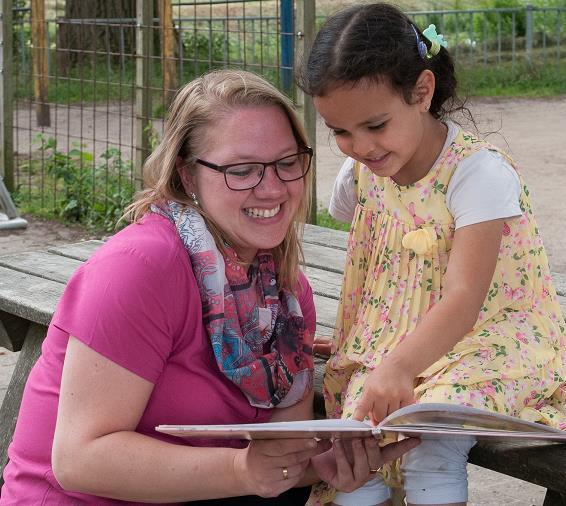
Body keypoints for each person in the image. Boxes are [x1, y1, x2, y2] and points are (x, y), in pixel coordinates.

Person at [0, 70, 418, 505]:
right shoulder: (140, 268)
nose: (272, 187)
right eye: (241, 170)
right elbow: (79, 460)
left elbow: (277, 457)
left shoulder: (288, 295)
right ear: (186, 175)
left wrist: (317, 466)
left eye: (287, 163)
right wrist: (242, 470)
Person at [300, 4, 566, 505]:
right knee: (356, 439)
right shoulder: (363, 174)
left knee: (432, 436)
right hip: (400, 346)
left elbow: (465, 296)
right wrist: (364, 333)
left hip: (487, 343)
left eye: (375, 125)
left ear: (422, 92)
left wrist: (400, 366)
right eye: (340, 131)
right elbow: (375, 255)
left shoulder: (476, 174)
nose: (359, 146)